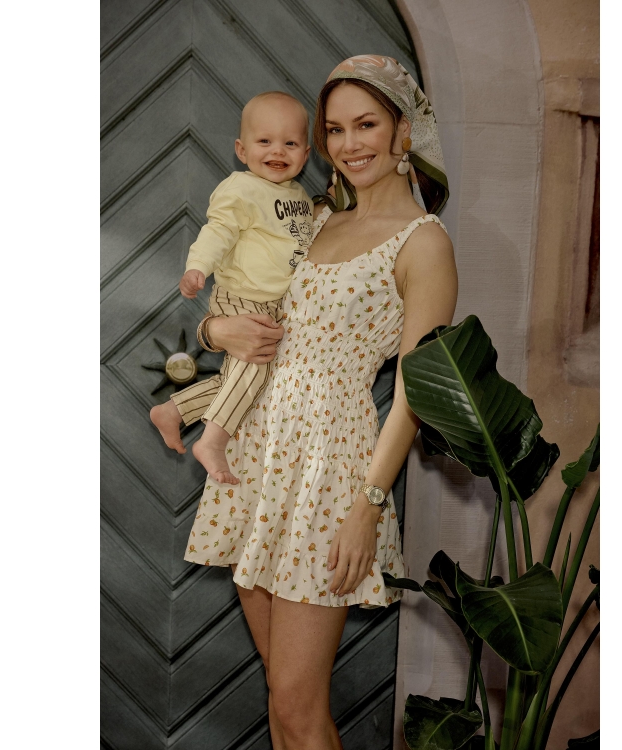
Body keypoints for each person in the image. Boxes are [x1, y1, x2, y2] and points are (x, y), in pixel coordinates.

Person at [182, 56, 456, 750]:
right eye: (333, 129)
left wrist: (367, 506)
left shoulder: (423, 243)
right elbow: (239, 303)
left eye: (366, 125)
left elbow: (416, 391)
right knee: (283, 701)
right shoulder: (312, 217)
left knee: (300, 707)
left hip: (329, 473)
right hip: (256, 455)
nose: (348, 144)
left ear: (404, 130)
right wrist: (213, 331)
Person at [149, 91, 315, 485]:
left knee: (245, 380)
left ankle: (173, 411)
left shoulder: (301, 197)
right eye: (265, 141)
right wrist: (198, 267)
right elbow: (218, 231)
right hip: (243, 295)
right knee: (254, 370)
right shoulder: (241, 188)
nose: (278, 151)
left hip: (272, 303)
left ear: (306, 154)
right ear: (242, 150)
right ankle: (211, 442)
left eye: (290, 143)